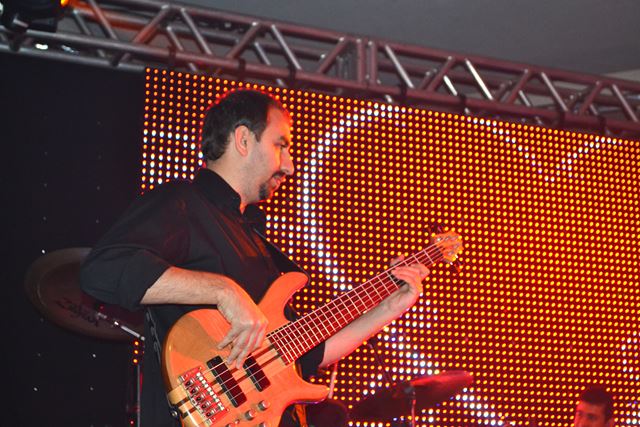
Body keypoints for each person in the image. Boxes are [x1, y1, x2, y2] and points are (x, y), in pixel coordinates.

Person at [79, 88, 430, 427]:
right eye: (281, 146)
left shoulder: (255, 240)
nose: (290, 167)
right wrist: (224, 291)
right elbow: (103, 270)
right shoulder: (184, 203)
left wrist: (390, 307)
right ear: (243, 140)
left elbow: (308, 353)